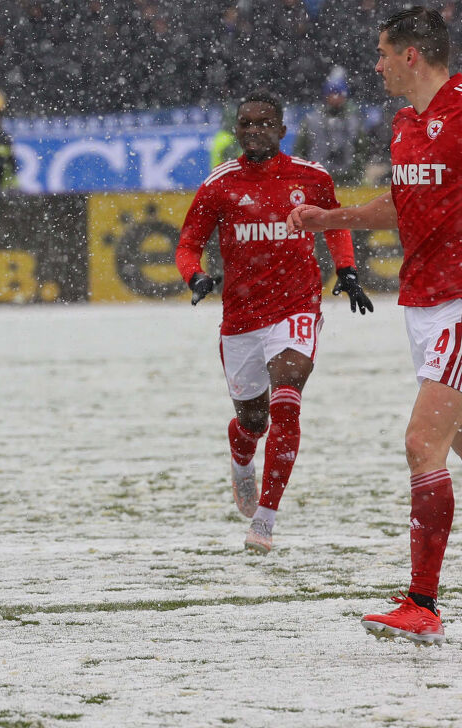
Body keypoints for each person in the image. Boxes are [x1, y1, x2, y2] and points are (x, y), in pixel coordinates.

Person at [287, 7, 459, 646]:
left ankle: (423, 604)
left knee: (422, 444)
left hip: (460, 302)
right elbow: (402, 205)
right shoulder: (406, 125)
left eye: (384, 52)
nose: (376, 64)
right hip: (423, 305)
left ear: (413, 54)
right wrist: (327, 221)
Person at [176, 88, 373, 555]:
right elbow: (187, 244)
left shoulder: (311, 177)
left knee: (287, 398)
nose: (254, 130)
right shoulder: (219, 185)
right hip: (242, 316)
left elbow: (336, 222)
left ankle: (264, 521)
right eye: (246, 123)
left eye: (264, 123)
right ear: (237, 130)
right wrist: (196, 276)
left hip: (297, 307)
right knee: (253, 419)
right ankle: (242, 456)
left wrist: (346, 268)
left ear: (282, 130)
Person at [293, 66, 368, 186]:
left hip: (348, 181)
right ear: (325, 96)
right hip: (317, 180)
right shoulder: (312, 120)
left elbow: (362, 150)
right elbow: (300, 150)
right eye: (332, 94)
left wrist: (356, 172)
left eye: (339, 94)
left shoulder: (354, 121)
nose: (335, 98)